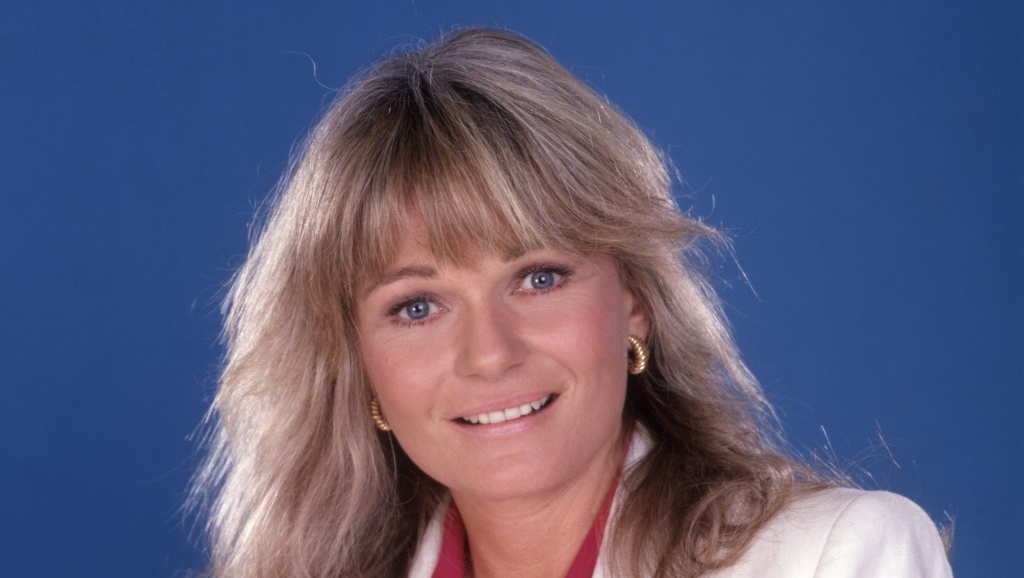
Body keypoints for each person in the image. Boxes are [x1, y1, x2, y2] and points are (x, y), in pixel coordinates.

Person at [192, 28, 952, 577]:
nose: (491, 354)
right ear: (357, 365)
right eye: (417, 306)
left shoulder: (837, 556)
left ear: (635, 299)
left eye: (538, 277)